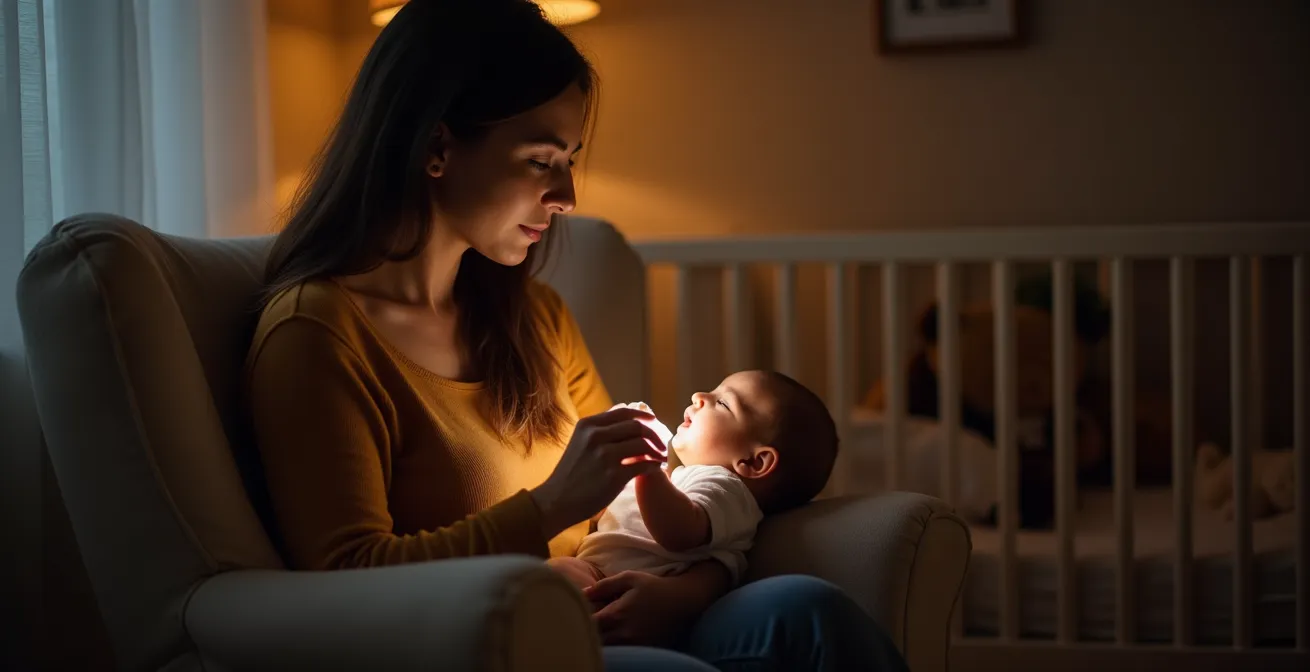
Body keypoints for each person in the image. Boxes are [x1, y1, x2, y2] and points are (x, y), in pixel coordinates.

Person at [244, 0, 909, 669]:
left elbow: (643, 501)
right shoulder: (317, 336)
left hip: (603, 614)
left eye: (569, 160)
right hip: (485, 647)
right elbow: (348, 574)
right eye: (540, 160)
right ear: (436, 147)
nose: (566, 195)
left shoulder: (535, 318)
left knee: (808, 609)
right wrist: (548, 510)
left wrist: (683, 594)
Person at [550, 371, 838, 594]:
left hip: (627, 585)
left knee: (555, 580)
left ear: (753, 462)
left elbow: (679, 530)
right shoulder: (682, 479)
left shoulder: (728, 490)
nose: (700, 396)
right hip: (597, 572)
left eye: (723, 403)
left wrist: (647, 467)